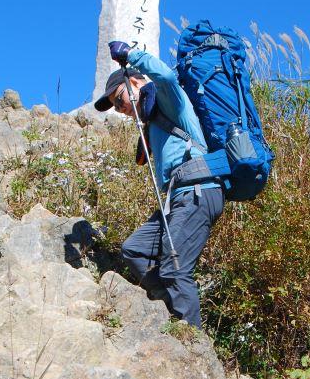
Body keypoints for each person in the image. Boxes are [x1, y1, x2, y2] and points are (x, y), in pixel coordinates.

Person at [94, 41, 225, 329]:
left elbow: (165, 76)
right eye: (115, 107)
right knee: (134, 250)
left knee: (175, 270)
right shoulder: (151, 120)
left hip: (198, 192)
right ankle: (169, 310)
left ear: (136, 82)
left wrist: (131, 55)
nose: (119, 109)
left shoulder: (168, 100)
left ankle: (193, 342)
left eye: (119, 100)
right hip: (179, 198)